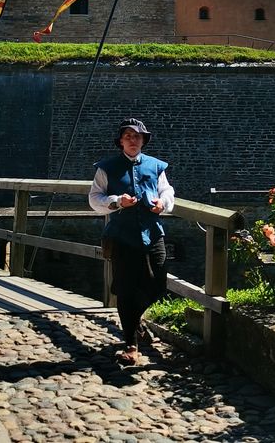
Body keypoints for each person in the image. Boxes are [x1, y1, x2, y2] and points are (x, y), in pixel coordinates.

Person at [88, 117, 174, 365]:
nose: (132, 140)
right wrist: (116, 201)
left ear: (143, 140)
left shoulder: (156, 166)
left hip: (153, 233)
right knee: (125, 290)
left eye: (137, 136)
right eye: (128, 136)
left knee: (157, 284)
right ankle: (131, 345)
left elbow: (167, 191)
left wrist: (163, 205)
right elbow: (94, 199)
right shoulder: (106, 168)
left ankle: (134, 324)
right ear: (121, 141)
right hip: (122, 236)